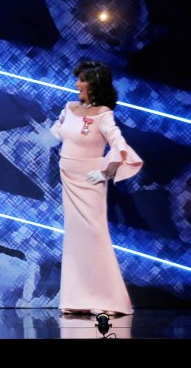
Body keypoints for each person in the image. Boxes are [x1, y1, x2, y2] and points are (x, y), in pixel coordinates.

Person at [49, 60, 142, 317]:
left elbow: (119, 146)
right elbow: (55, 134)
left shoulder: (103, 114)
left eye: (82, 80)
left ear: (94, 84)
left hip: (90, 182)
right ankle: (76, 299)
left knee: (95, 236)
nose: (76, 84)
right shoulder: (69, 108)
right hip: (68, 179)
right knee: (75, 238)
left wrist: (105, 172)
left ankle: (111, 301)